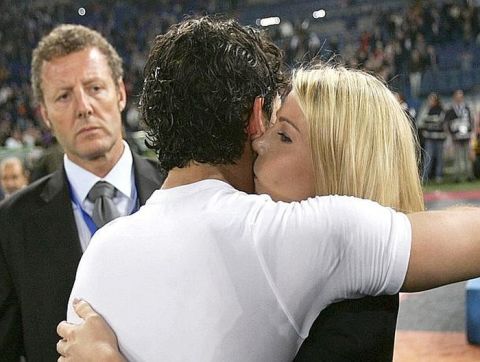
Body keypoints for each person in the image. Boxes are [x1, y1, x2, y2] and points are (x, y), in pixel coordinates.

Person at [57, 17, 480, 361]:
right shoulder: (306, 241)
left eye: (286, 136)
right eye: (275, 129)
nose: (262, 144)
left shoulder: (101, 249)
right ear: (256, 116)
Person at [0, 24, 166, 361]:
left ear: (120, 93)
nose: (84, 107)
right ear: (45, 115)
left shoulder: (179, 190)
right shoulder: (11, 225)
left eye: (94, 87)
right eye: (64, 96)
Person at [444, 89, 474, 182]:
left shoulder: (466, 108)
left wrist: (471, 131)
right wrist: (450, 134)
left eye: (461, 96)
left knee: (467, 156)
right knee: (457, 156)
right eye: (457, 96)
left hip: (466, 135)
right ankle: (457, 176)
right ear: (454, 97)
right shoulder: (450, 109)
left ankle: (469, 175)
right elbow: (446, 123)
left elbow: (471, 120)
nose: (459, 98)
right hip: (456, 136)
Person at [418, 92, 446, 183]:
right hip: (429, 138)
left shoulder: (441, 110)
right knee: (428, 157)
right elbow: (422, 121)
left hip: (439, 137)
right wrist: (432, 121)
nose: (431, 101)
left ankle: (439, 176)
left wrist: (430, 121)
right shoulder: (426, 109)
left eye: (432, 100)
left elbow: (440, 121)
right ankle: (425, 176)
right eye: (430, 100)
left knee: (439, 158)